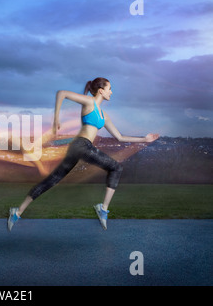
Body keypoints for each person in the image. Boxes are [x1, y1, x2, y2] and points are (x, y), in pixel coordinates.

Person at [8, 77, 159, 231]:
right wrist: (55, 120)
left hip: (79, 147)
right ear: (101, 90)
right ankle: (103, 209)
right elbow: (62, 93)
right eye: (109, 88)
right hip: (81, 145)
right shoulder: (89, 101)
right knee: (116, 168)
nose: (111, 92)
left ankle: (17, 211)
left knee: (53, 180)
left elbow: (119, 137)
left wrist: (144, 139)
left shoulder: (104, 115)